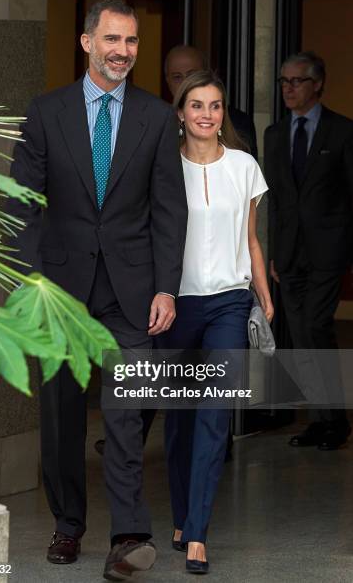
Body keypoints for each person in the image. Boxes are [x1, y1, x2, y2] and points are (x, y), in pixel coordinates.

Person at [8, 0, 187, 580]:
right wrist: (34, 279)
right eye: (112, 39)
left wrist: (166, 288)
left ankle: (130, 535)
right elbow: (23, 204)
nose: (122, 52)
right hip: (60, 290)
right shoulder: (45, 112)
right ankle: (68, 524)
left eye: (131, 42)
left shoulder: (158, 118)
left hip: (132, 290)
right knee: (60, 412)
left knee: (126, 410)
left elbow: (168, 210)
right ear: (87, 43)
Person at [160, 70, 273, 574]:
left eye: (216, 105)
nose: (208, 114)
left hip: (230, 301)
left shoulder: (244, 165)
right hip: (177, 305)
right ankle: (182, 515)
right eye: (197, 105)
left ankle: (198, 533)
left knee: (214, 413)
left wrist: (264, 297)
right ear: (181, 113)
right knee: (180, 419)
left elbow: (251, 239)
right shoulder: (162, 166)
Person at [265, 51, 352, 450]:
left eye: (296, 81)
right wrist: (271, 251)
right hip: (288, 254)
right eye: (283, 81)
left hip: (327, 251)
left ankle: (333, 418)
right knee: (300, 338)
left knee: (315, 328)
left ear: (317, 84)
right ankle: (324, 419)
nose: (287, 88)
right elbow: (277, 199)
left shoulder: (343, 132)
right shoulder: (275, 134)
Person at [165, 44, 259, 160]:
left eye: (192, 75)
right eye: (177, 77)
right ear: (167, 80)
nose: (186, 82)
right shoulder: (156, 125)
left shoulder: (243, 163)